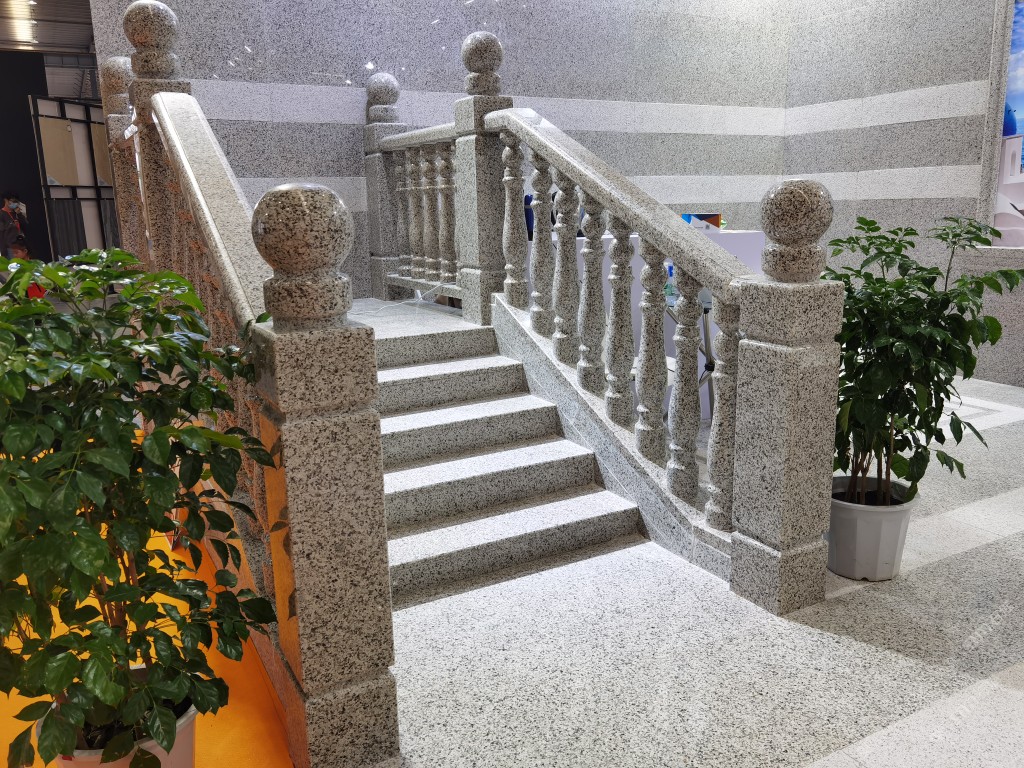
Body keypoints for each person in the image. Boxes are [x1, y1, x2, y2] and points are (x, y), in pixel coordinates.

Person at [1, 191, 29, 258]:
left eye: (16, 202)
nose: (15, 203)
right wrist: (3, 251)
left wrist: (19, 214)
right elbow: (1, 234)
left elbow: (25, 226)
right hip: (9, 249)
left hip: (21, 246)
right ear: (6, 200)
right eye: (13, 201)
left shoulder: (18, 213)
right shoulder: (1, 214)